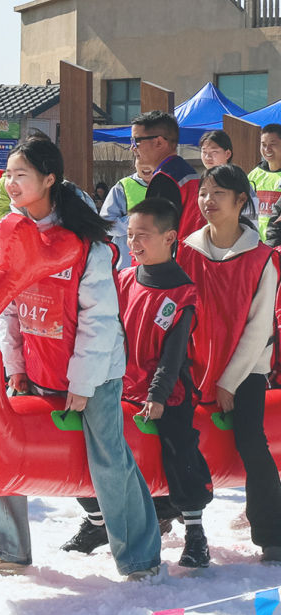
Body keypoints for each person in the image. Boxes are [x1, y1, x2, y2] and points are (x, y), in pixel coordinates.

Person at [0, 138, 162, 580]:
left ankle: (140, 558)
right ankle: (5, 548)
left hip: (95, 374)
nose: (11, 183)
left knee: (109, 460)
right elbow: (7, 307)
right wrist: (15, 366)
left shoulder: (86, 244)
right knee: (3, 445)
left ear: (49, 179)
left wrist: (83, 383)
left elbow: (99, 320)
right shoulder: (13, 234)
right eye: (8, 175)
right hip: (38, 367)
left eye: (22, 175)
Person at [177, 164, 281, 563]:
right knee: (172, 436)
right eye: (204, 193)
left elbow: (259, 328)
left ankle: (271, 532)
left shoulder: (261, 258)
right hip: (194, 362)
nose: (208, 201)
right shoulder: (187, 250)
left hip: (246, 370)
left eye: (218, 193)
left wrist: (229, 382)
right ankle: (170, 515)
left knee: (251, 441)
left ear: (241, 201)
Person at [115, 196, 212, 570]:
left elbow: (174, 355)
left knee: (179, 447)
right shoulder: (125, 279)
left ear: (170, 237)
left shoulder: (183, 292)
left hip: (168, 393)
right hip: (124, 388)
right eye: (129, 234)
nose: (133, 243)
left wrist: (157, 395)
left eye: (142, 235)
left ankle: (196, 533)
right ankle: (100, 521)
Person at [130, 110, 202, 238]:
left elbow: (157, 238)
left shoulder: (164, 179)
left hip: (176, 250)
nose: (132, 147)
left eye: (136, 141)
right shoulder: (188, 172)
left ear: (159, 142)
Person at [100, 144, 151, 270]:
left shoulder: (168, 184)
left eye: (150, 160)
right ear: (134, 162)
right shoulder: (123, 187)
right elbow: (105, 223)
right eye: (140, 159)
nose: (145, 165)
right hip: (127, 264)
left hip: (158, 264)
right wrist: (135, 221)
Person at [247, 121, 281, 240]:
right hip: (256, 243)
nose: (267, 149)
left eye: (272, 144)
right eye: (263, 144)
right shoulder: (253, 175)